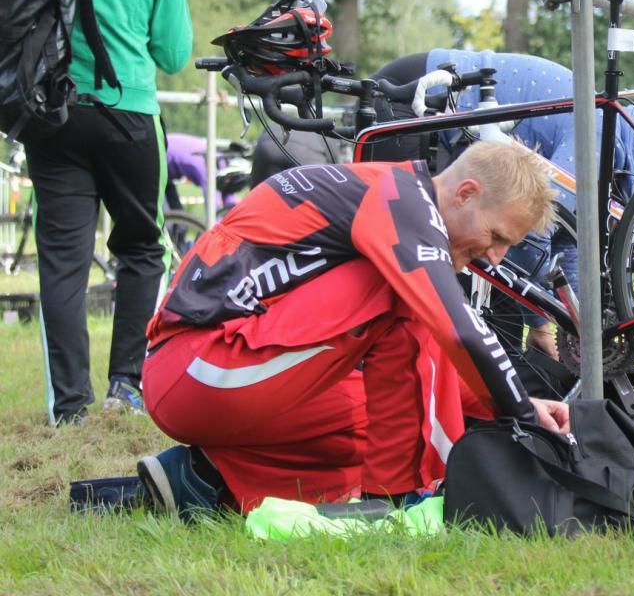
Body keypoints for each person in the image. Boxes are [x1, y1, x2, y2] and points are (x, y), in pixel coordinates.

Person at [135, 141, 570, 517]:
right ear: (466, 193)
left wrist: (519, 401)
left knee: (364, 421)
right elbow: (458, 330)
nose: (495, 256)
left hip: (211, 372)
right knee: (406, 291)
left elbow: (428, 371)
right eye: (497, 236)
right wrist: (522, 418)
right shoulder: (399, 201)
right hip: (197, 367)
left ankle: (202, 479)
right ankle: (405, 499)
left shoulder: (396, 197)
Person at [370, 51, 634, 378]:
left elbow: (565, 236)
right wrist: (540, 323)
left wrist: (577, 322)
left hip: (439, 110)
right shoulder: (600, 134)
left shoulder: (613, 137)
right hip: (411, 94)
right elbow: (534, 230)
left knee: (493, 262)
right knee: (432, 253)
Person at [26, 0, 192, 426]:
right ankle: (127, 386)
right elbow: (173, 54)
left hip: (55, 119)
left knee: (63, 262)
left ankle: (69, 406)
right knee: (143, 249)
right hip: (130, 118)